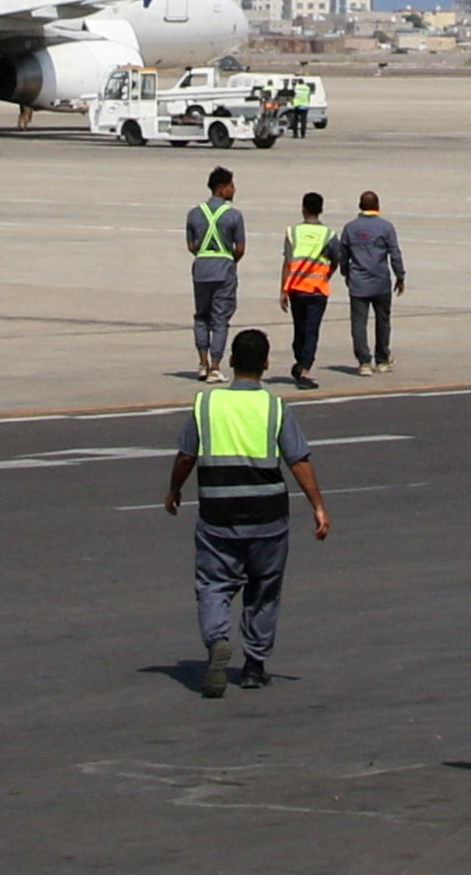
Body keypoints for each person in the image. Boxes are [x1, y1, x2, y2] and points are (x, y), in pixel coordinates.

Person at [162, 327, 331, 695]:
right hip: (267, 515)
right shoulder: (274, 406)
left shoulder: (206, 404)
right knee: (264, 589)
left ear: (233, 362)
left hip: (218, 514)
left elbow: (186, 456)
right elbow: (298, 460)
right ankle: (254, 665)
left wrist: (174, 490)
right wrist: (317, 506)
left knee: (213, 584)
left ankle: (217, 639)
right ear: (267, 364)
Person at [184, 164, 249, 378]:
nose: (234, 190)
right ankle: (215, 366)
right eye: (231, 186)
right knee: (220, 318)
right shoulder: (234, 216)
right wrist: (229, 260)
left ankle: (202, 362)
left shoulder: (194, 214)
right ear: (221, 188)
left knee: (201, 316)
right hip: (223, 269)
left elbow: (192, 246)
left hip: (201, 269)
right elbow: (239, 249)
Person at [336, 189, 405, 373]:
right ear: (377, 206)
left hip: (358, 282)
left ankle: (364, 361)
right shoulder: (386, 227)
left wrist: (346, 274)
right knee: (383, 321)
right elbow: (395, 254)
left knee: (359, 323)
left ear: (360, 206)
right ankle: (382, 359)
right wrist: (400, 276)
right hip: (381, 282)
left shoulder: (350, 228)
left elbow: (343, 255)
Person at [279, 190, 339, 385]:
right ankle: (304, 367)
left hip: (296, 289)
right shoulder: (329, 234)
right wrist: (326, 275)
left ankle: (301, 363)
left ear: (303, 209)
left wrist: (283, 290)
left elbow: (287, 262)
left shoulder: (293, 232)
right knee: (312, 330)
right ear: (321, 210)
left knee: (300, 329)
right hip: (317, 290)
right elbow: (336, 259)